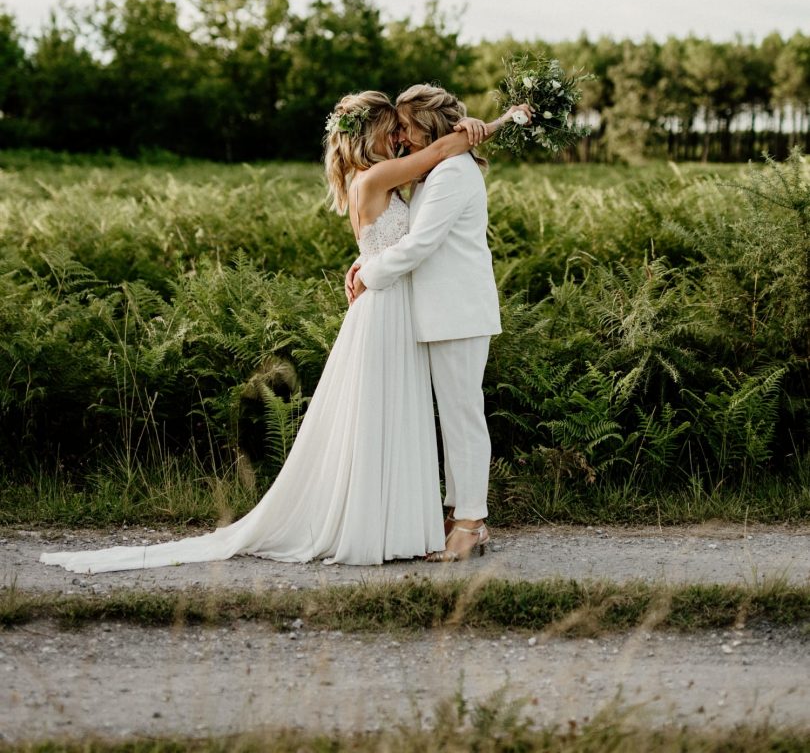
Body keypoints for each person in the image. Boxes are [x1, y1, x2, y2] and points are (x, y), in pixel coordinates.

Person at [40, 91, 520, 574]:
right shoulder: (386, 175)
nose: (400, 136)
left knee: (429, 415)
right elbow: (425, 188)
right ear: (370, 134)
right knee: (389, 413)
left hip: (419, 309)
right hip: (392, 310)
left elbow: (415, 224)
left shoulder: (425, 173)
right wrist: (492, 123)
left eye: (407, 127)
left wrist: (479, 126)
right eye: (393, 128)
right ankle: (414, 520)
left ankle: (449, 520)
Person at [346, 84, 507, 562]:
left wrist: (369, 275)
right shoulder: (434, 172)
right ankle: (459, 512)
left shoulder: (451, 175)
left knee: (463, 418)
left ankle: (471, 524)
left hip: (457, 312)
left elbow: (420, 245)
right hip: (440, 313)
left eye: (408, 126)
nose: (402, 135)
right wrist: (362, 262)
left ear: (430, 126)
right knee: (455, 417)